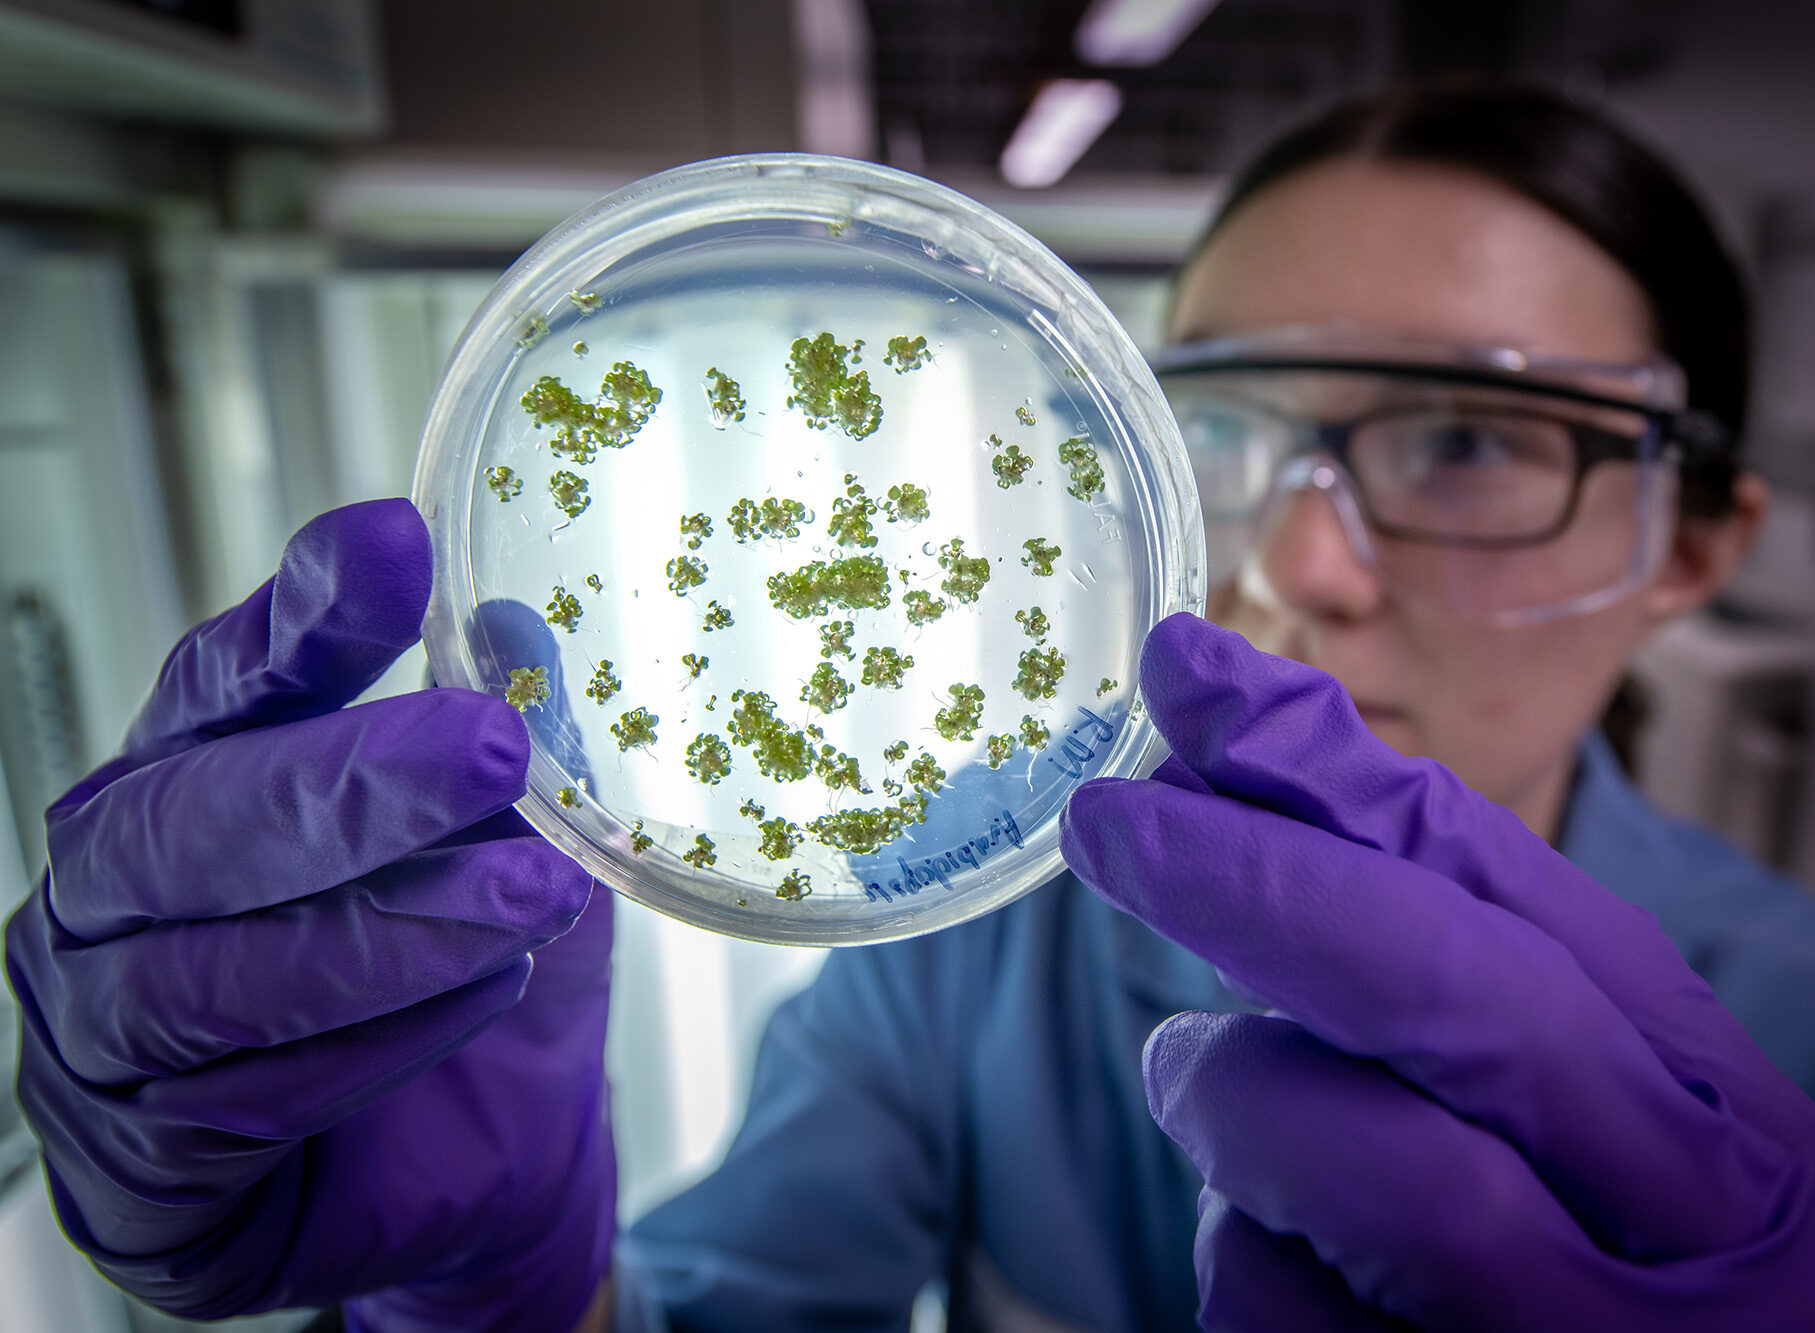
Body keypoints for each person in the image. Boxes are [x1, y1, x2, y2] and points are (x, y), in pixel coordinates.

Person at [6, 80, 1815, 1332]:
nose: (1302, 563)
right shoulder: (955, 945)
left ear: (1693, 543)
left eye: (1469, 440)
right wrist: (495, 1300)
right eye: (1226, 428)